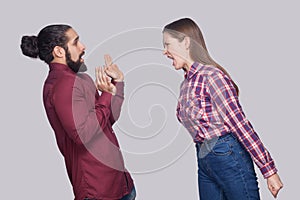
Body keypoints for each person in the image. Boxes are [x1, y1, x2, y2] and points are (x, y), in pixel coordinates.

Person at [162, 18, 283, 199]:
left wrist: (269, 170)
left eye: (167, 45)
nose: (165, 52)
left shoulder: (211, 76)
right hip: (204, 158)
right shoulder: (186, 84)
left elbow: (239, 124)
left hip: (228, 155)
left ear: (185, 42)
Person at [20, 24, 135, 200]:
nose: (83, 47)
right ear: (59, 51)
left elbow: (107, 120)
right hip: (98, 190)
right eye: (76, 42)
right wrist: (106, 94)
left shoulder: (81, 79)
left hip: (119, 182)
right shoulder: (63, 85)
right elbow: (83, 134)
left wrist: (117, 84)